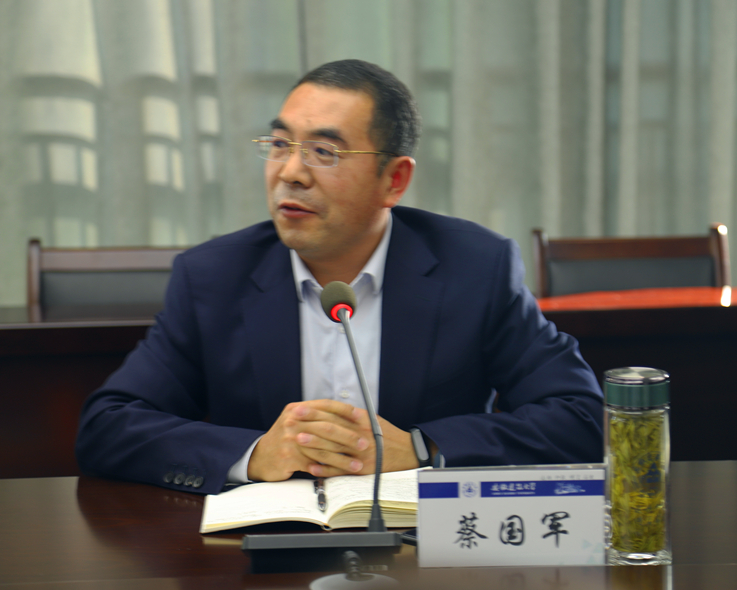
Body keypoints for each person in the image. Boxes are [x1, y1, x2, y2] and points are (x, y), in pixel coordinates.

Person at [76, 59, 603, 495]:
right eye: (280, 144)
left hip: (423, 554)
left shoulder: (475, 267)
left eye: (324, 152)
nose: (290, 172)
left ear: (394, 180)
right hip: (261, 553)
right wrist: (255, 454)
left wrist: (421, 448)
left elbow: (581, 417)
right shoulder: (214, 277)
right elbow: (108, 425)